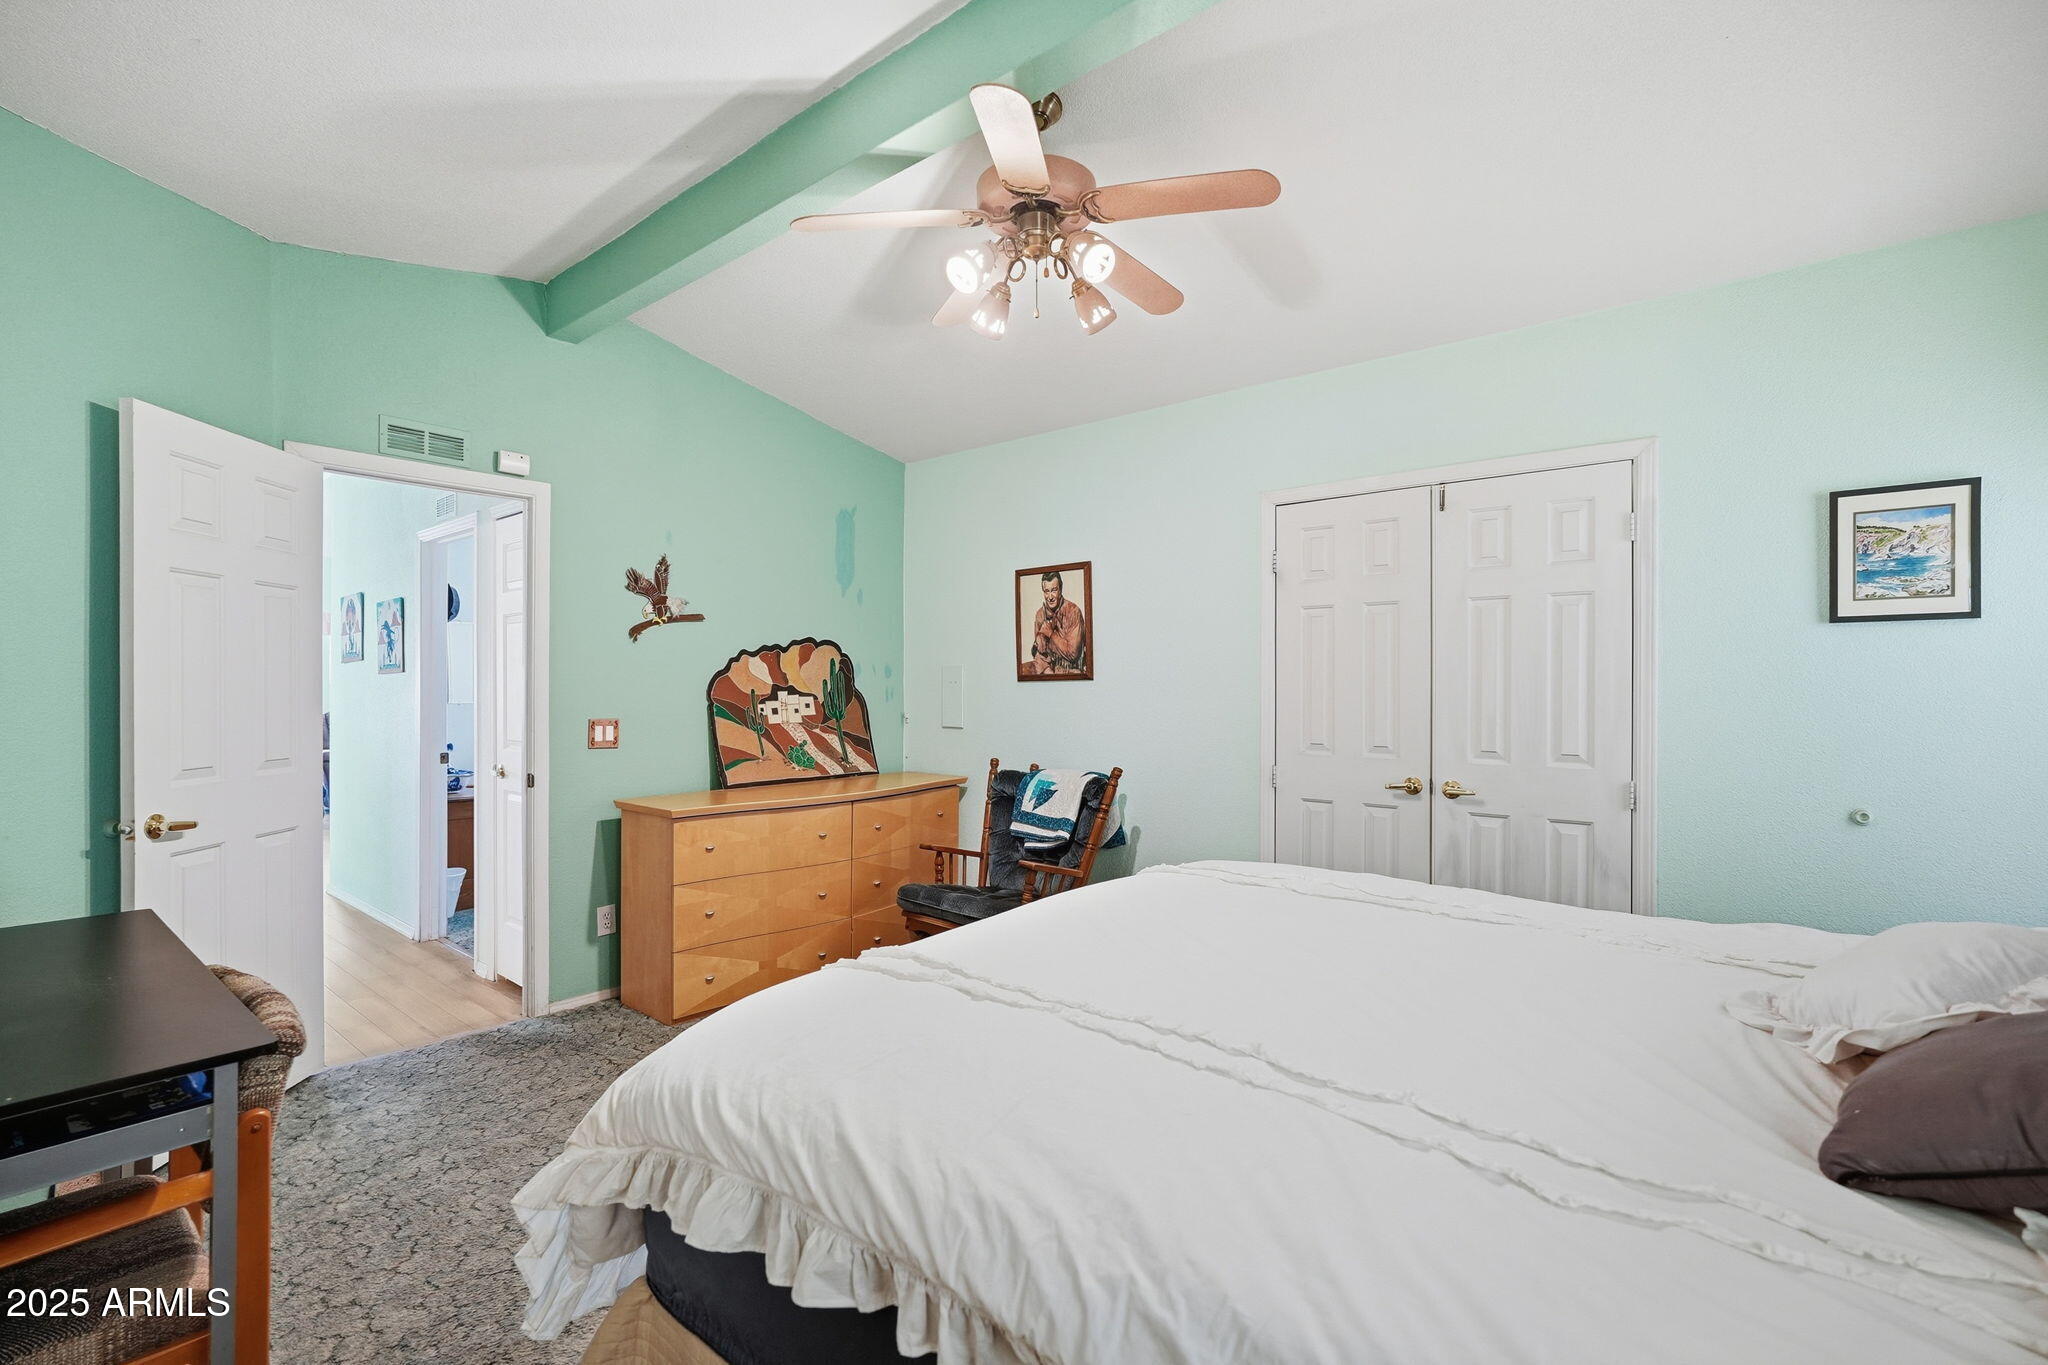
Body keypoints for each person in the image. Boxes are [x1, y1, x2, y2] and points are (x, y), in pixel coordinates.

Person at [1027, 570, 1088, 675]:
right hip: (1049, 674)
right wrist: (1049, 674)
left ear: (1060, 589)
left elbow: (1073, 654)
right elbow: (1039, 654)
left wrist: (1051, 634)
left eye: (1054, 590)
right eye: (1046, 591)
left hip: (1074, 675)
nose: (1050, 597)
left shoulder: (1073, 611)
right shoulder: (1040, 615)